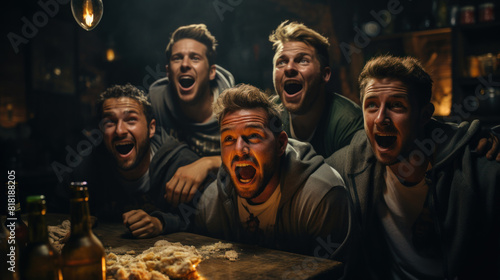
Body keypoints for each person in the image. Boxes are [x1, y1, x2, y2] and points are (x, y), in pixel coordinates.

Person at [326, 55, 500, 279]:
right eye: (371, 105)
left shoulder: (475, 167)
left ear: (424, 115)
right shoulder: (352, 163)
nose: (380, 118)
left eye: (396, 105)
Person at [194, 84, 352, 259]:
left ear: (280, 144)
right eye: (229, 138)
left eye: (253, 136)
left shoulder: (320, 198)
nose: (239, 150)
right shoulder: (211, 203)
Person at [54, 84, 201, 238]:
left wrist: (161, 223)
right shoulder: (85, 169)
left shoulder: (181, 164)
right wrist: (83, 217)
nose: (119, 130)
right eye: (109, 122)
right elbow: (57, 210)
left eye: (131, 120)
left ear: (151, 128)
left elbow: (201, 218)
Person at [148, 24, 235, 208]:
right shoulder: (156, 103)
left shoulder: (233, 110)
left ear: (212, 72)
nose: (185, 64)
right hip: (173, 213)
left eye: (195, 58)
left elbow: (252, 157)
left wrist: (208, 163)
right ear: (168, 73)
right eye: (177, 58)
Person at [269, 20, 363, 158]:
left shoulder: (349, 124)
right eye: (281, 62)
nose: (289, 68)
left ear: (325, 75)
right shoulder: (269, 116)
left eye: (303, 60)